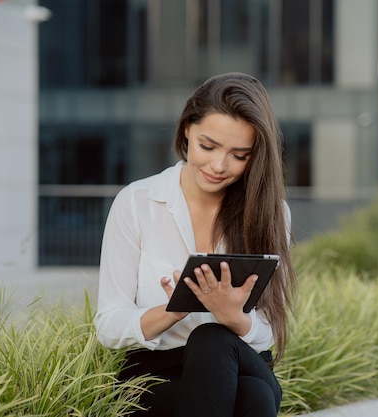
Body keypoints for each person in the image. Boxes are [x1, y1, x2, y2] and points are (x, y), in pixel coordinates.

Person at [94, 72, 297, 417]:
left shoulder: (271, 212)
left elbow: (267, 335)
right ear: (186, 129)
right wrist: (175, 309)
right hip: (157, 373)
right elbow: (108, 326)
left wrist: (233, 316)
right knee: (255, 396)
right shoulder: (137, 202)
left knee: (215, 339)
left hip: (241, 358)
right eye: (208, 146)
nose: (219, 166)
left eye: (239, 155)